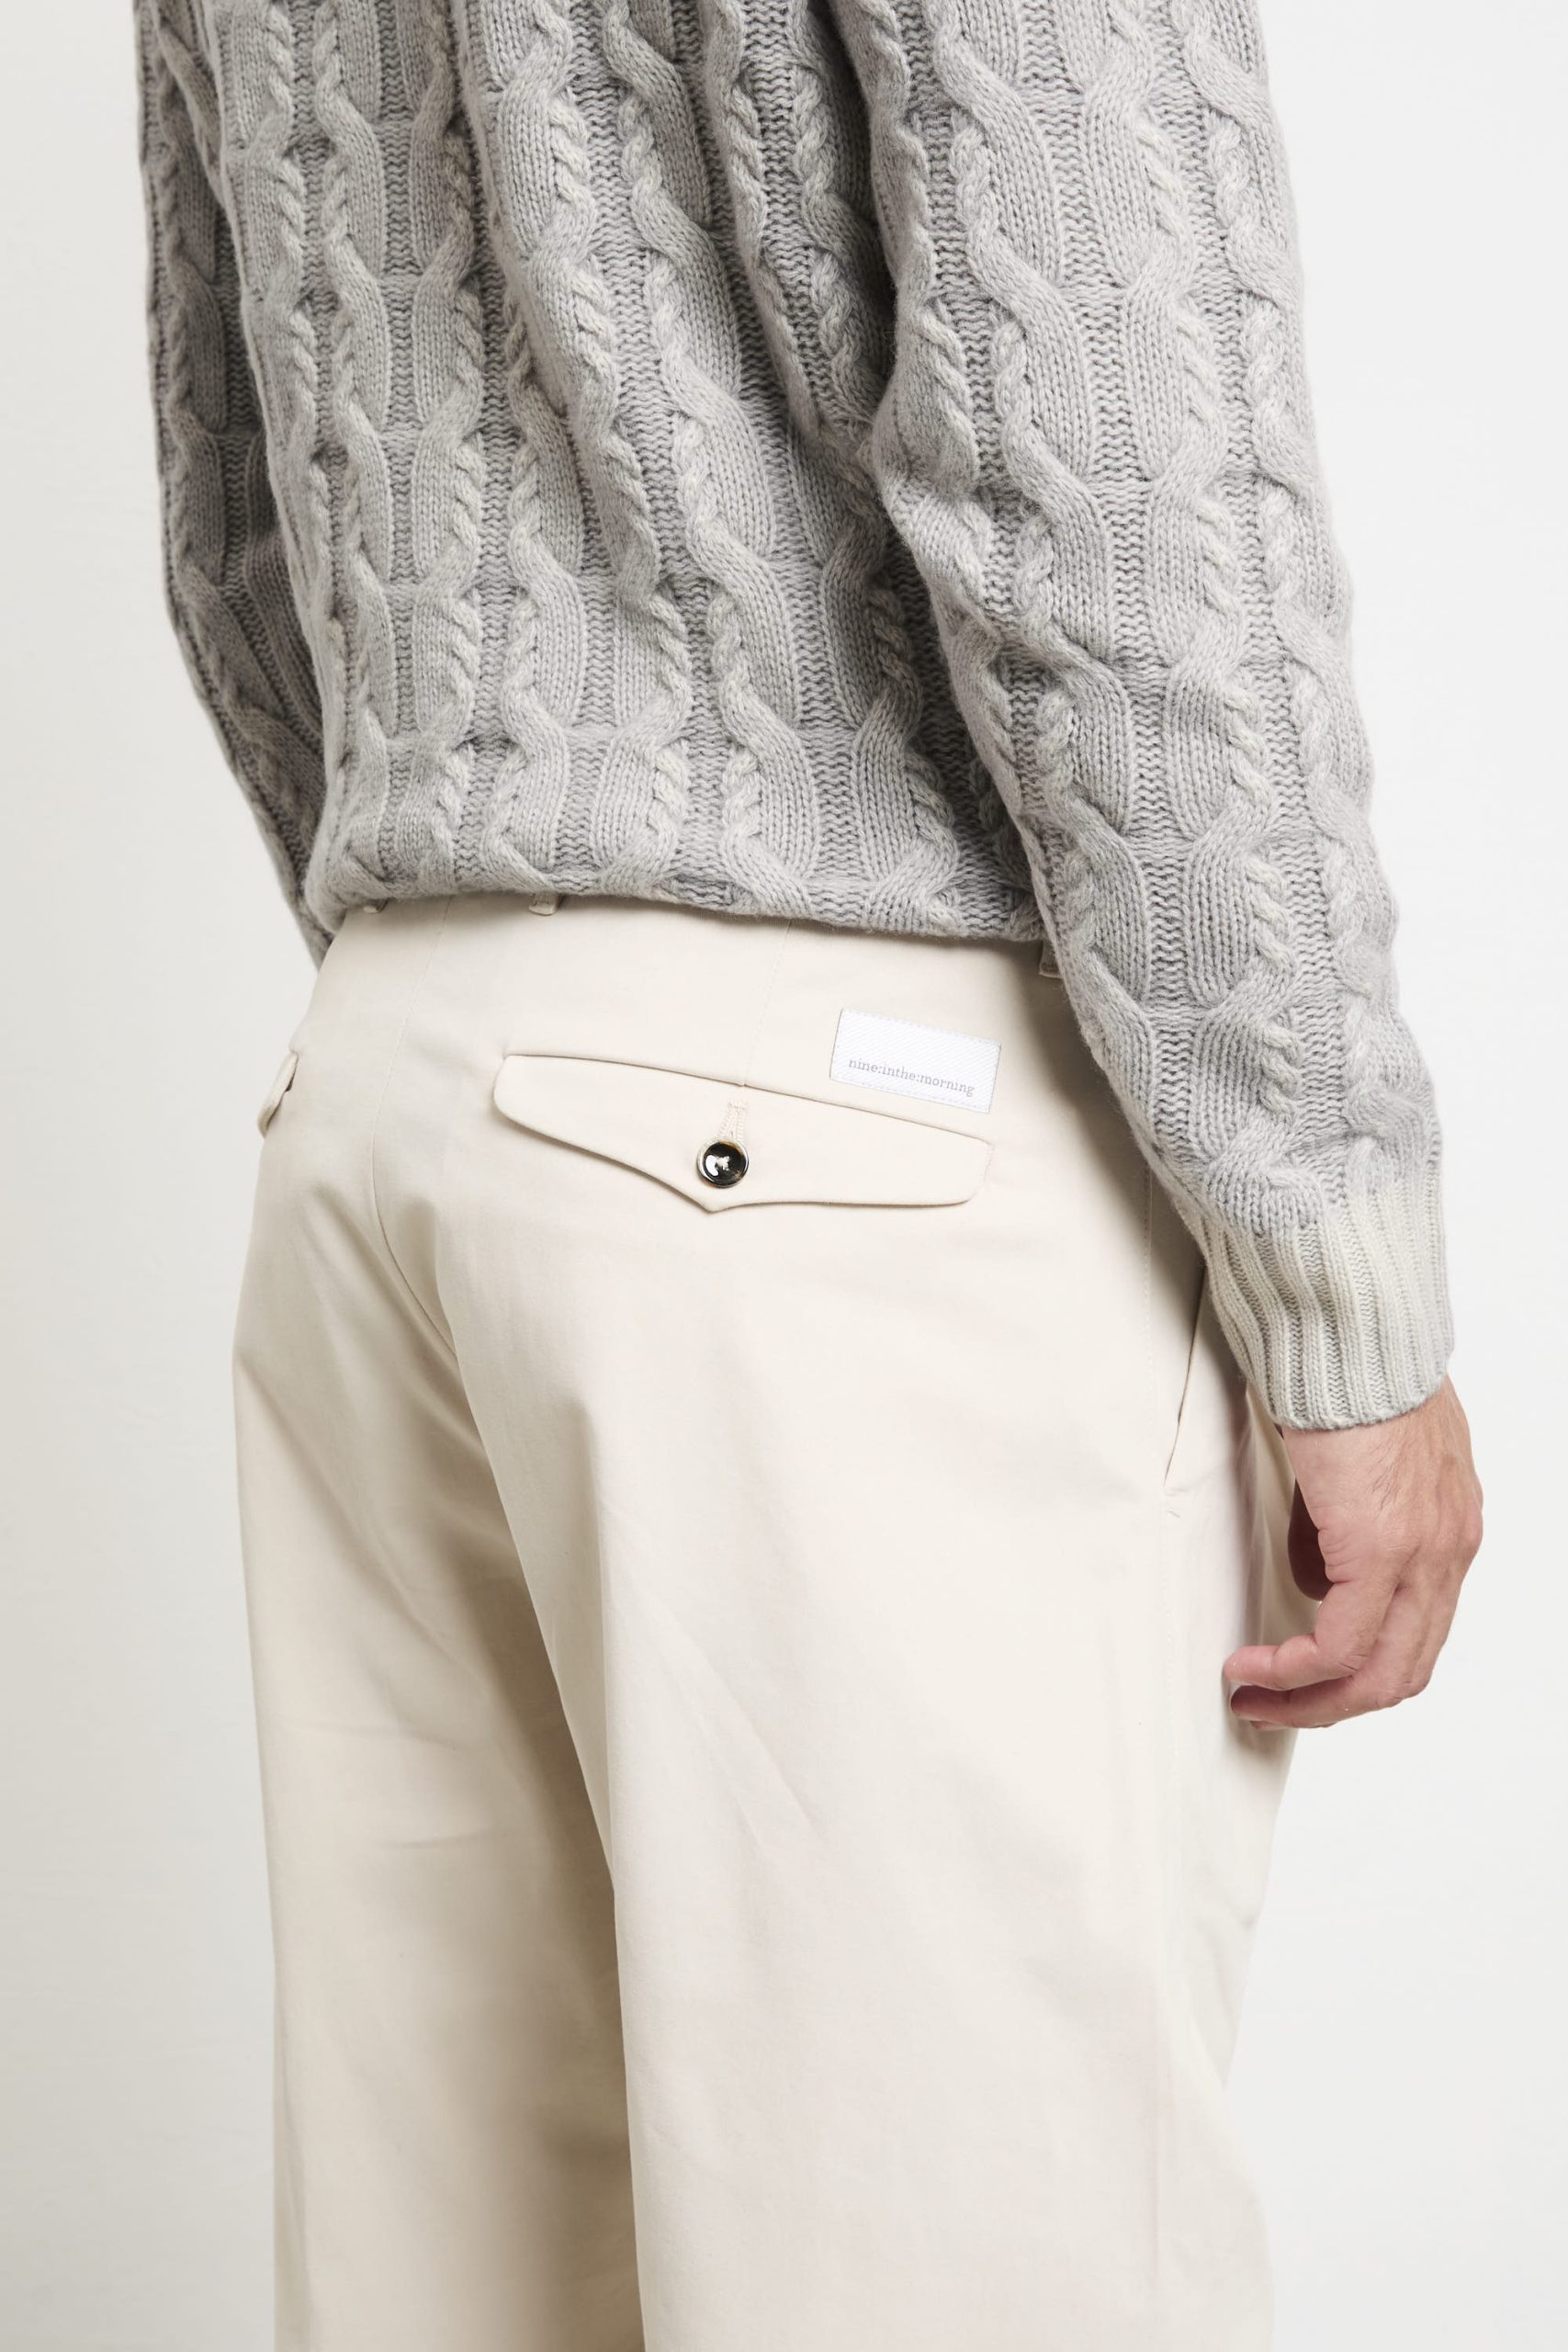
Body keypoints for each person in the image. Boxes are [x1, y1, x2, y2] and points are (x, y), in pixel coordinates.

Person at [133, 0, 1483, 2345]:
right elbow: (1109, 467)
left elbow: (236, 486)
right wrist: (1332, 1262)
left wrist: (489, 983)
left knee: (463, 2279)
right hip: (844, 1157)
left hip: (394, 1098)